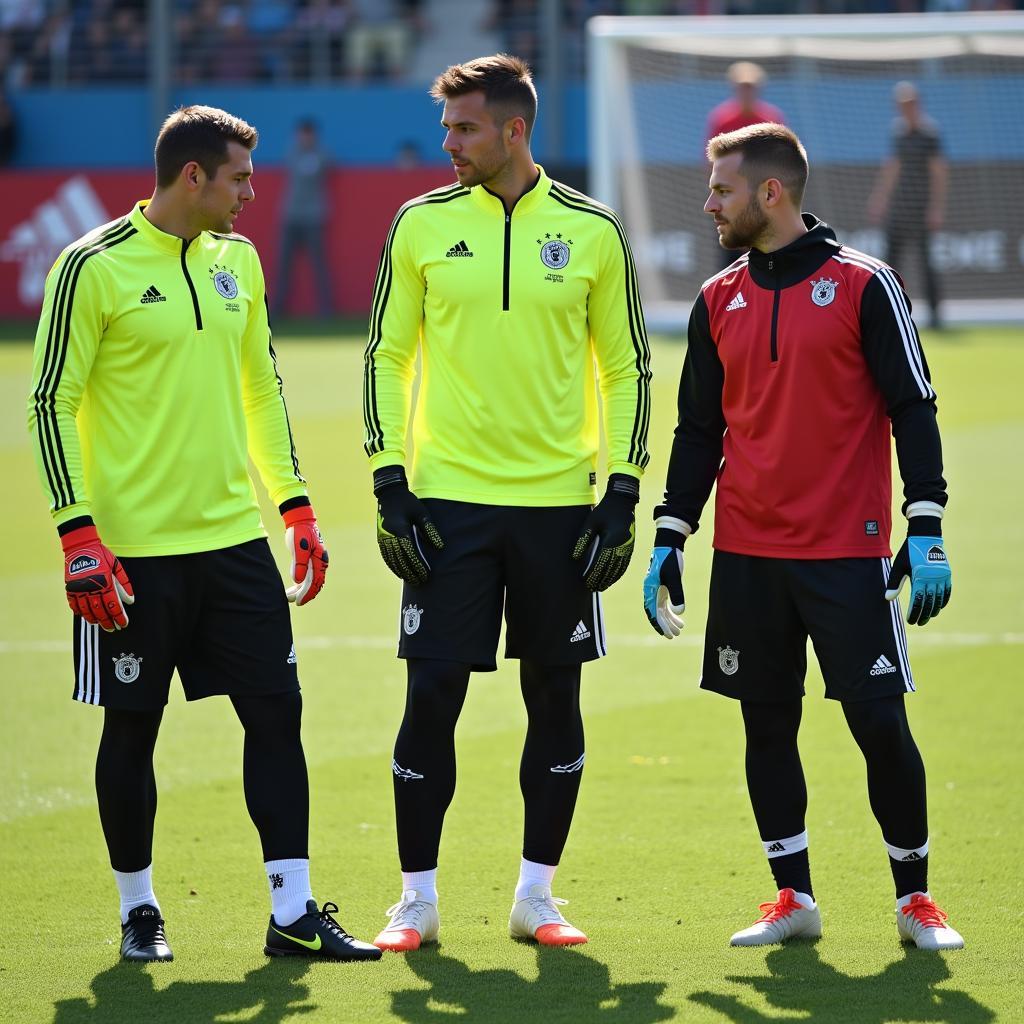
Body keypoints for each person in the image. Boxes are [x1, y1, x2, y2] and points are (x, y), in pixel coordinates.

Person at [27, 105, 380, 965]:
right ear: (193, 176)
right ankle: (140, 910)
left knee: (277, 714)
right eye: (239, 179)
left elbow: (261, 386)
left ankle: (293, 911)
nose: (252, 194)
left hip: (232, 544)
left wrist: (293, 505)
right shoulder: (90, 266)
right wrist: (78, 532)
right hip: (131, 552)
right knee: (132, 727)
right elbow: (51, 402)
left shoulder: (241, 262)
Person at [643, 123, 963, 951]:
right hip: (748, 555)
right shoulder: (716, 300)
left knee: (879, 725)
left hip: (847, 554)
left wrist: (924, 522)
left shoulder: (867, 284)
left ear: (770, 193)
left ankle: (915, 900)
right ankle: (794, 899)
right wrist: (670, 536)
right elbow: (696, 431)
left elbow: (912, 406)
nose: (710, 203)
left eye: (722, 189)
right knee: (764, 725)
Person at [362, 54, 651, 951]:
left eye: (463, 129)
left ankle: (537, 897)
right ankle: (416, 901)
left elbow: (628, 365)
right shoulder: (418, 224)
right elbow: (385, 356)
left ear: (513, 129)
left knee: (555, 702)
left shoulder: (595, 230)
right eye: (447, 128)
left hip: (559, 511)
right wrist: (388, 479)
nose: (448, 144)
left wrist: (623, 491)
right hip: (447, 508)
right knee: (432, 695)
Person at [868, 81, 947, 330]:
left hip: (921, 209)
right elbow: (893, 168)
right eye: (901, 105)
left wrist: (936, 208)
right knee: (890, 263)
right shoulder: (898, 132)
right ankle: (888, 309)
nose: (906, 109)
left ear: (918, 104)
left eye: (909, 104)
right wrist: (880, 200)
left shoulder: (930, 133)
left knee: (926, 263)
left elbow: (939, 172)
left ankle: (935, 316)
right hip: (898, 209)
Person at [705, 62, 785, 268]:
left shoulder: (771, 118)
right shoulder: (722, 120)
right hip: (730, 198)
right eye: (742, 87)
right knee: (730, 253)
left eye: (750, 87)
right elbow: (712, 162)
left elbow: (779, 160)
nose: (746, 92)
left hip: (760, 198)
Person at [273, 118, 333, 319]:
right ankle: (277, 308)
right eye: (302, 133)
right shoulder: (293, 151)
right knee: (283, 264)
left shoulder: (321, 153)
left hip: (314, 215)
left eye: (308, 133)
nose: (305, 137)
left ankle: (326, 309)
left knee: (318, 264)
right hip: (291, 214)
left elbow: (317, 168)